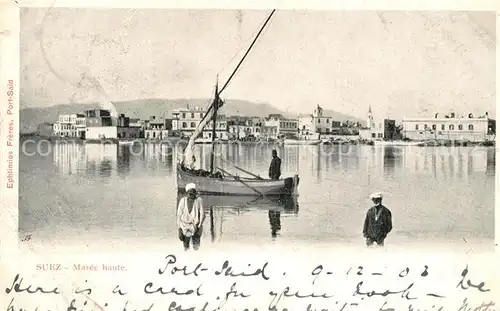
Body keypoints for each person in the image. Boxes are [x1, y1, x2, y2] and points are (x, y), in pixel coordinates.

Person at [177, 183, 205, 251]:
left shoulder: (199, 200)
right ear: (187, 193)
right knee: (186, 246)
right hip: (184, 225)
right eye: (190, 193)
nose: (192, 195)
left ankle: (196, 258)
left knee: (196, 246)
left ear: (196, 193)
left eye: (194, 193)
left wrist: (198, 226)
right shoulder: (183, 201)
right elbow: (179, 215)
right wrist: (179, 229)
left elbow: (202, 214)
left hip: (196, 225)